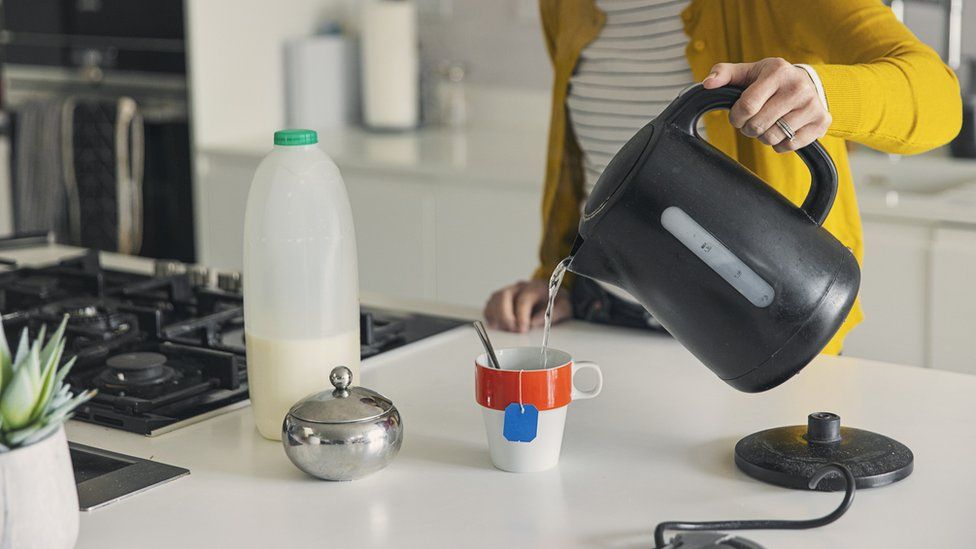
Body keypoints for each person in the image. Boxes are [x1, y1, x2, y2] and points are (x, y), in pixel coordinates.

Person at [483, 0, 961, 354]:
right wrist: (555, 280)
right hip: (605, 320)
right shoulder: (563, 6)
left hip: (762, 330)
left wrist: (820, 92)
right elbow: (584, 159)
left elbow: (939, 98)